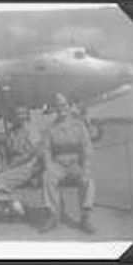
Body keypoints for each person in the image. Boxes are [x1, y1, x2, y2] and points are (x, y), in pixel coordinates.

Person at [38, 93, 95, 234]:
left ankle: (85, 217)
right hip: (58, 164)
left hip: (75, 164)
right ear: (54, 109)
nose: (61, 109)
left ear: (69, 107)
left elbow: (87, 148)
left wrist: (85, 168)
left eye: (64, 105)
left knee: (88, 181)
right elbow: (46, 149)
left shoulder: (79, 125)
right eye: (58, 106)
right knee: (47, 177)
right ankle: (53, 215)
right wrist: (49, 165)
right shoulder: (51, 128)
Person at [0, 106, 40, 216]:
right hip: (11, 164)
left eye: (23, 113)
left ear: (27, 115)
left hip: (27, 166)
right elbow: (4, 150)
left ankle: (14, 204)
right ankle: (5, 207)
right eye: (18, 114)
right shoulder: (12, 131)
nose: (20, 116)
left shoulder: (32, 131)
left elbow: (29, 154)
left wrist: (8, 167)